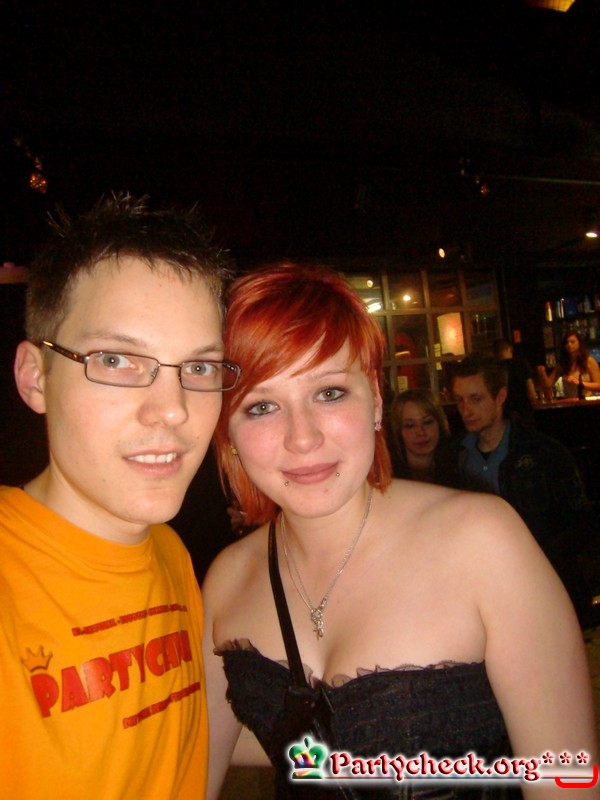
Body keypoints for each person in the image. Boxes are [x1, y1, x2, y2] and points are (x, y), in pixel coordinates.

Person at [202, 263, 598, 800]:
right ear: (227, 430)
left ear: (375, 398)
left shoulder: (481, 542)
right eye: (262, 406)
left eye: (329, 393)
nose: (302, 438)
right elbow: (193, 764)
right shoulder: (227, 580)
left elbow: (566, 782)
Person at [0, 194, 240, 799]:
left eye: (200, 368)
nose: (173, 410)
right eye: (116, 360)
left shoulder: (171, 555)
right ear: (35, 377)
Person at [451, 353, 598, 626]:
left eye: (475, 399)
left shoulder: (543, 453)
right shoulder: (455, 458)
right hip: (484, 594)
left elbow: (582, 523)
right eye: (459, 400)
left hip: (545, 590)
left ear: (500, 396)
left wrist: (535, 557)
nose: (466, 409)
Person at [389, 387, 462, 487]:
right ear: (399, 431)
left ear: (440, 423)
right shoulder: (387, 476)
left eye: (427, 422)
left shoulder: (460, 466)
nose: (421, 432)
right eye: (410, 425)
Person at [537, 331, 600, 398]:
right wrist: (542, 373)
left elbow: (598, 385)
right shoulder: (563, 363)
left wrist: (580, 383)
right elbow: (548, 386)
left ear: (579, 343)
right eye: (567, 343)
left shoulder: (588, 361)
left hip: (587, 400)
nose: (569, 345)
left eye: (572, 342)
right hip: (569, 401)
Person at [492, 338, 536, 425]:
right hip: (524, 412)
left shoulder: (494, 369)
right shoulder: (521, 364)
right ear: (510, 349)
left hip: (504, 415)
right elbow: (532, 394)